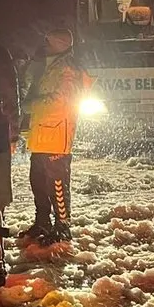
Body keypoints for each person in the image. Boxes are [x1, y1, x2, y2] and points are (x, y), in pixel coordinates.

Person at [19, 28, 92, 244]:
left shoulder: (67, 70)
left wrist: (28, 106)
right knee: (38, 182)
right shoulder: (52, 66)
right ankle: (42, 222)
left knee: (57, 185)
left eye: (48, 42)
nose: (44, 45)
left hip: (57, 137)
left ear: (58, 45)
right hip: (42, 136)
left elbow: (60, 102)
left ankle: (62, 227)